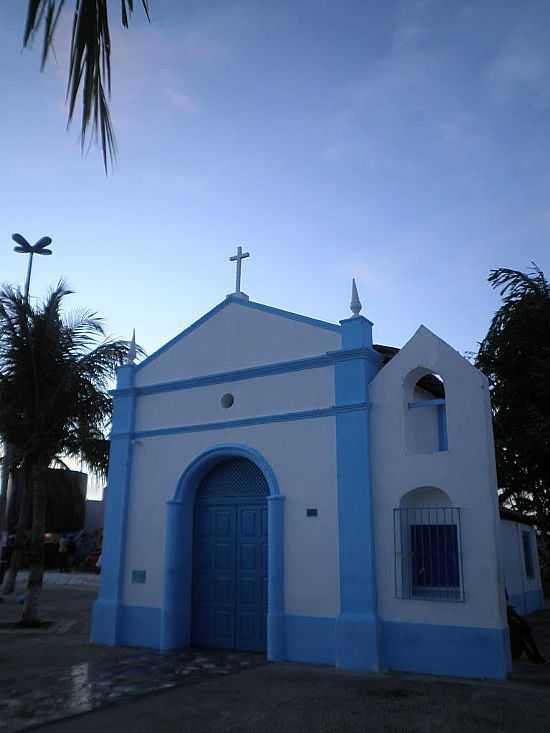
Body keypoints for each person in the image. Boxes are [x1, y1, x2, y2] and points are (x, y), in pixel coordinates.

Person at [506, 590, 546, 663]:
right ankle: (531, 654)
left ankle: (535, 653)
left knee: (523, 627)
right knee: (517, 632)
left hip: (516, 650)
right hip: (512, 652)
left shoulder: (509, 611)